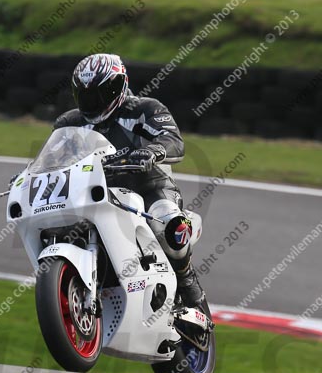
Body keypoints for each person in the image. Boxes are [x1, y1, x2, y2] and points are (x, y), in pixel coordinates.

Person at [53, 53, 208, 314]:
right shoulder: (69, 122)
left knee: (169, 223)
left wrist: (153, 151)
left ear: (119, 85)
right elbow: (53, 158)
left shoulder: (145, 109)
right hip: (94, 193)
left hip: (148, 185)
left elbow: (173, 140)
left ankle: (185, 276)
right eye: (86, 95)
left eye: (102, 93)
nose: (94, 102)